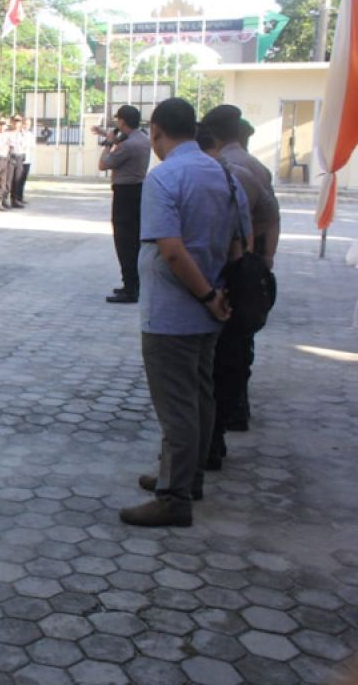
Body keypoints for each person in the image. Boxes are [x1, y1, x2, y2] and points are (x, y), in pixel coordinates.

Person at [120, 97, 250, 528]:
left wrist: (205, 295)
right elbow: (239, 244)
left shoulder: (166, 178)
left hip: (175, 312)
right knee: (200, 397)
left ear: (155, 130)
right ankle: (186, 477)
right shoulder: (225, 175)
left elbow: (172, 252)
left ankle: (174, 498)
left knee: (176, 407)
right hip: (211, 310)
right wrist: (218, 295)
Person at [198, 105, 281, 467]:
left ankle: (212, 442)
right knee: (238, 350)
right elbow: (272, 218)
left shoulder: (230, 170)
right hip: (252, 270)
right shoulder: (255, 166)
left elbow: (228, 228)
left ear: (213, 135)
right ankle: (234, 412)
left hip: (233, 273)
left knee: (223, 358)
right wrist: (263, 259)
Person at [96, 105, 151, 304]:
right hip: (137, 191)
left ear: (123, 122)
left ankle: (130, 288)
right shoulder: (142, 138)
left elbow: (103, 164)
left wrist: (108, 144)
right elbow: (125, 140)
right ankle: (133, 284)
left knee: (124, 241)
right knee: (133, 240)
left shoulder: (128, 145)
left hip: (125, 193)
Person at [7, 115, 29, 208]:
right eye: (15, 121)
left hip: (20, 157)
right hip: (11, 157)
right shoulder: (8, 133)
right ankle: (3, 200)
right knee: (9, 180)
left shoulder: (23, 133)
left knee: (17, 179)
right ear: (12, 122)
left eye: (19, 121)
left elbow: (26, 145)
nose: (17, 123)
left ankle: (15, 200)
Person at [14, 116, 35, 206]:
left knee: (23, 180)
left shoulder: (30, 135)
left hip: (27, 159)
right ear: (22, 124)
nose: (27, 126)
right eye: (25, 124)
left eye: (29, 124)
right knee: (17, 180)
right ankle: (15, 199)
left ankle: (20, 198)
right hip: (19, 160)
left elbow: (32, 146)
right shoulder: (18, 134)